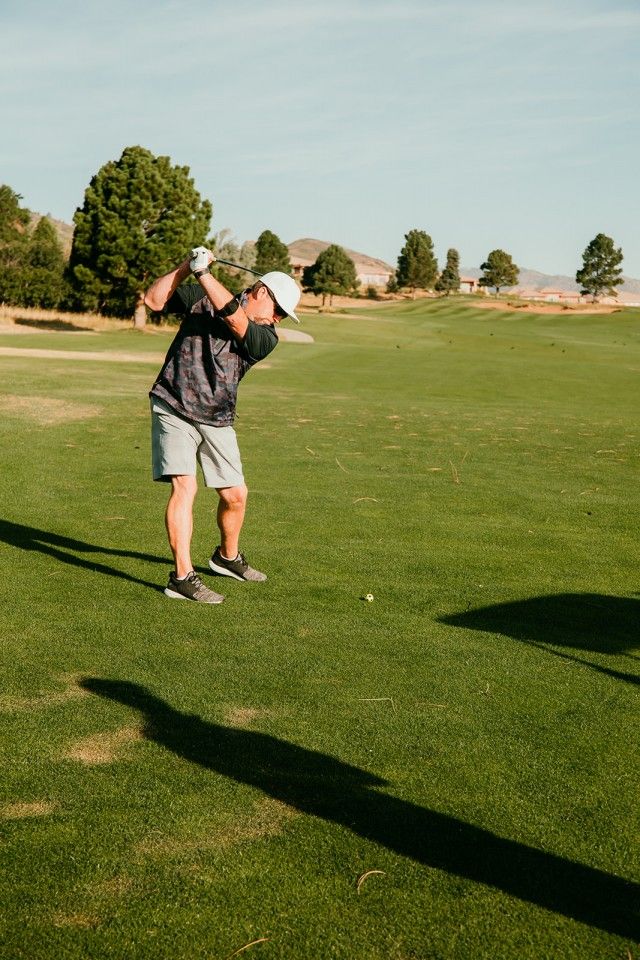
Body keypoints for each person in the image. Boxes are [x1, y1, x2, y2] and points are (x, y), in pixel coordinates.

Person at [145, 246, 301, 604]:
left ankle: (226, 558)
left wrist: (204, 273)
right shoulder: (200, 296)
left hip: (217, 416)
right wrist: (187, 266)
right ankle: (181, 577)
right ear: (261, 292)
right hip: (173, 402)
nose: (278, 319)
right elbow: (153, 301)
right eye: (278, 310)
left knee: (236, 496)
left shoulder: (266, 337)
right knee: (185, 487)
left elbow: (234, 319)